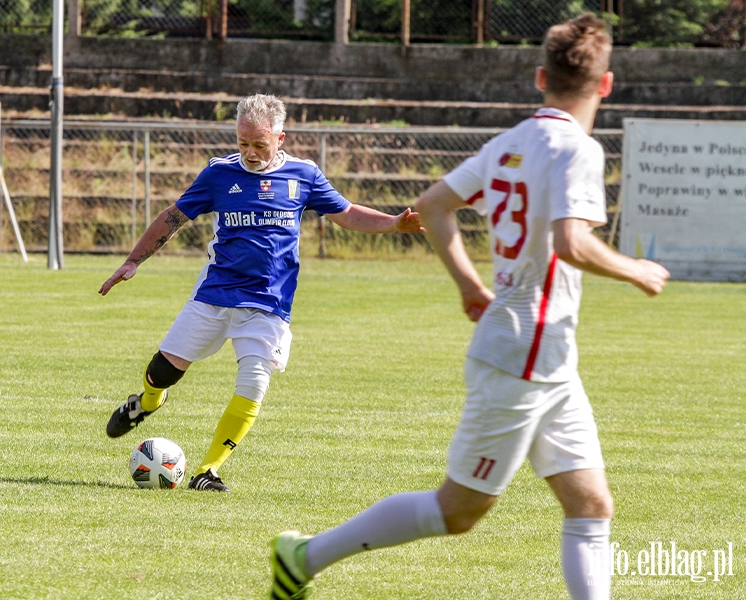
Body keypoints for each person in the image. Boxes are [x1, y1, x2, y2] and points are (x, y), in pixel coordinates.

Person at [269, 13, 669, 600]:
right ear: (606, 85)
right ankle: (302, 557)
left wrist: (468, 285)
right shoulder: (577, 150)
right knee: (458, 512)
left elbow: (432, 205)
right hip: (522, 358)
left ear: (540, 77)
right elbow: (570, 241)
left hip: (547, 358)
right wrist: (636, 268)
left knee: (590, 503)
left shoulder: (511, 142)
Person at [98, 93, 422, 492]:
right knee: (162, 372)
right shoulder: (218, 174)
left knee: (253, 383)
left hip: (269, 304)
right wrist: (134, 260)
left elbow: (347, 213)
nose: (250, 153)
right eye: (243, 143)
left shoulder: (304, 175)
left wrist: (392, 223)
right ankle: (147, 402)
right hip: (216, 292)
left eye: (259, 145)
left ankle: (208, 470)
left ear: (280, 139)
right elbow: (174, 216)